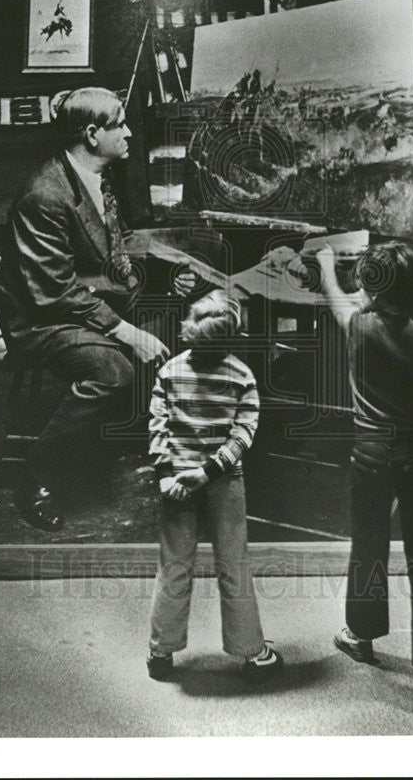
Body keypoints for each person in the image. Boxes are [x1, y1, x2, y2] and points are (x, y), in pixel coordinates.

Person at [0, 86, 194, 531]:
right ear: (90, 134)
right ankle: (34, 474)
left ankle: (172, 451)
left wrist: (166, 280)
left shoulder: (94, 178)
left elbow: (108, 258)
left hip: (86, 300)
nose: (127, 133)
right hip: (43, 318)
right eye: (119, 124)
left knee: (190, 317)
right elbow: (54, 293)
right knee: (113, 371)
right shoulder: (44, 195)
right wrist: (128, 331)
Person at [316, 240, 413, 719]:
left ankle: (359, 636)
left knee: (367, 545)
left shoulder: (357, 328)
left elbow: (341, 298)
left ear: (370, 286)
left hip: (368, 454)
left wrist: (327, 265)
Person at [145, 290, 283, 683]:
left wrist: (168, 475)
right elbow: (244, 434)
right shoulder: (242, 375)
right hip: (224, 481)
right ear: (232, 338)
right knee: (233, 564)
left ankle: (160, 650)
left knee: (173, 564)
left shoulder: (169, 371)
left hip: (176, 484)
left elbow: (158, 428)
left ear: (189, 331)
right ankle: (251, 653)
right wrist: (209, 471)